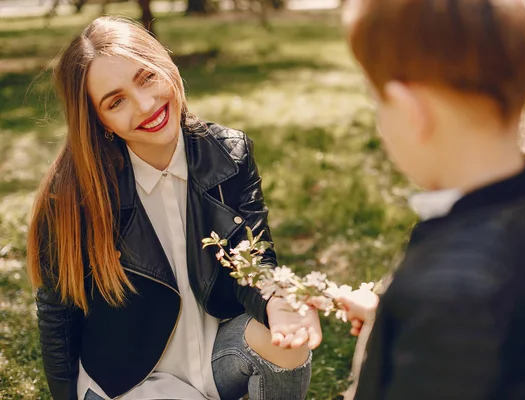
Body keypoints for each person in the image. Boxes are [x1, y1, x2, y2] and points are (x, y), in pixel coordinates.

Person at [27, 16, 321, 400]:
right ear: (100, 121)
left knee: (288, 343)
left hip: (214, 356)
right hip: (130, 380)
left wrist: (275, 301)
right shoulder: (72, 194)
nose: (146, 105)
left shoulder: (229, 154)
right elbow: (57, 315)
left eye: (146, 77)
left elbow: (255, 256)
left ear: (165, 66)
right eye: (116, 101)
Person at [336, 0, 525, 398]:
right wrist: (395, 322)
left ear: (410, 111)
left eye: (377, 103)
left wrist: (426, 314)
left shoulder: (451, 290)